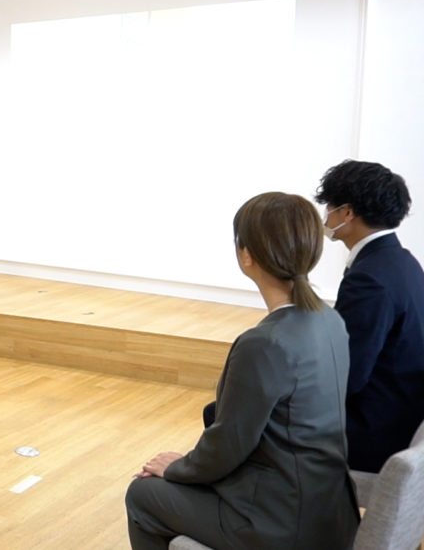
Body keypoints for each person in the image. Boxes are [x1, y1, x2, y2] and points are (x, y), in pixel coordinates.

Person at [125, 192, 359, 550]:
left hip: (282, 523)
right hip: (331, 511)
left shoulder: (265, 343)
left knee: (142, 494)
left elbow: (228, 445)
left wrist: (177, 467)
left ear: (246, 255)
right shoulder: (330, 320)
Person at [315, 159, 424, 472]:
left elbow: (347, 377)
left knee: (231, 414)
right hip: (402, 414)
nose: (326, 215)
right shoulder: (403, 262)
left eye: (329, 207)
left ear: (347, 213)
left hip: (372, 432)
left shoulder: (369, 279)